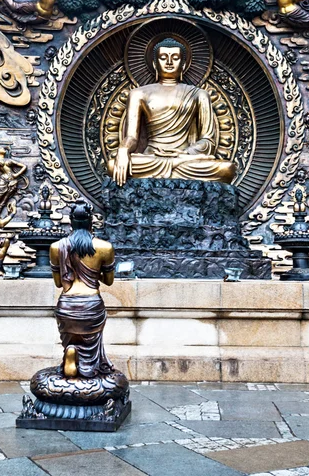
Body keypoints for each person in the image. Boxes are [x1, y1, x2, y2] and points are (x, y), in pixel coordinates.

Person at [109, 37, 236, 186]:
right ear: (156, 64)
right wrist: (123, 151)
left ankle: (174, 167)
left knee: (227, 169)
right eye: (163, 57)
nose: (169, 62)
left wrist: (186, 153)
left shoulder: (198, 94)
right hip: (152, 158)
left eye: (175, 58)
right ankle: (170, 169)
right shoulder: (138, 94)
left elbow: (208, 140)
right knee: (112, 166)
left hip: (184, 158)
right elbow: (132, 137)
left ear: (183, 64)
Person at [49, 200, 115, 379]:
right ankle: (88, 364)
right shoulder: (105, 247)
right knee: (90, 341)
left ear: (70, 221)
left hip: (67, 305)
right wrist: (97, 273)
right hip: (91, 305)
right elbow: (109, 281)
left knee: (71, 338)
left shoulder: (56, 247)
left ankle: (71, 352)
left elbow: (58, 283)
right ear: (91, 221)